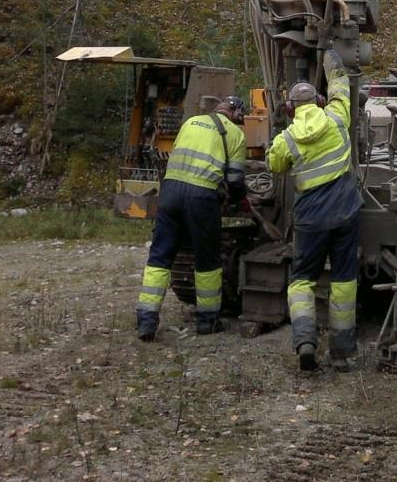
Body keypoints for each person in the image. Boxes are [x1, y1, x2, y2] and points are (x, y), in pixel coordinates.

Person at [266, 49, 362, 371]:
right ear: (319, 101)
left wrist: (279, 129)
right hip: (346, 211)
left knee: (302, 280)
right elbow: (341, 91)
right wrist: (332, 63)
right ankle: (342, 353)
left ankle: (306, 340)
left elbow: (274, 164)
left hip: (311, 218)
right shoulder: (336, 119)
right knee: (344, 280)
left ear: (292, 109)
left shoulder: (288, 139)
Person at [135, 95, 247, 341]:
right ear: (236, 114)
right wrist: (238, 199)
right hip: (201, 197)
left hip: (170, 193)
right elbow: (236, 181)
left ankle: (146, 321)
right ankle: (208, 321)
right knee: (207, 260)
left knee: (160, 256)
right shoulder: (235, 135)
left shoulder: (192, 122)